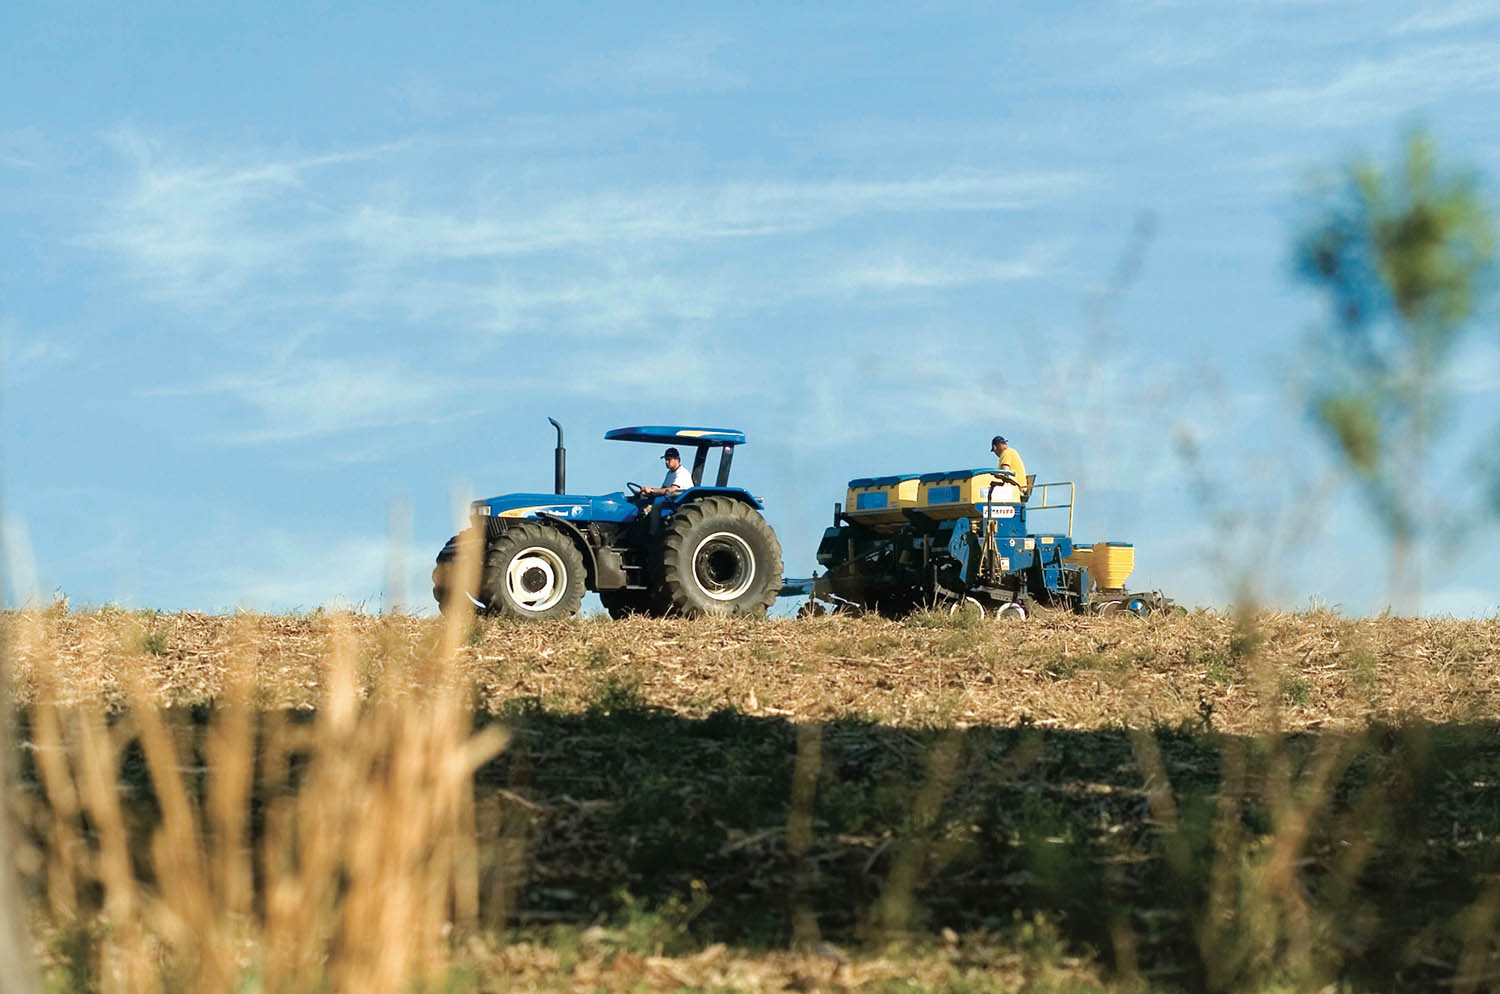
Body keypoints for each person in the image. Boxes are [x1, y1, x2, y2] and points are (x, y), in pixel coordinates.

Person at [990, 435, 1028, 502]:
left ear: (994, 447)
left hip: (1016, 488)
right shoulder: (1012, 451)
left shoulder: (1006, 453)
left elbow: (1005, 472)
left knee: (985, 491)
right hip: (1020, 487)